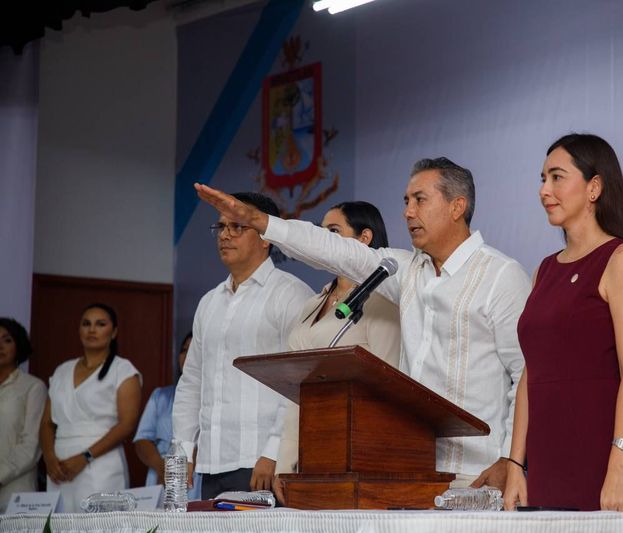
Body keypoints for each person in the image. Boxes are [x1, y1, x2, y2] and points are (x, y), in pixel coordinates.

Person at [195, 158, 530, 490]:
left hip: (480, 475)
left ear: (457, 207)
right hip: (414, 471)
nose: (408, 212)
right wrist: (261, 222)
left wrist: (510, 460)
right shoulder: (404, 270)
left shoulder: (501, 275)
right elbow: (333, 250)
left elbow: (525, 376)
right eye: (405, 201)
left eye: (419, 199)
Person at [505, 133, 623, 512]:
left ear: (594, 187)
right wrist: (515, 465)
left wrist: (620, 465)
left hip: (604, 461)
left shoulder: (622, 259)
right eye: (542, 179)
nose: (544, 190)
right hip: (546, 463)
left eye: (557, 177)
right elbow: (530, 374)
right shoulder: (545, 269)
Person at [173, 192, 313, 499]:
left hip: (261, 462)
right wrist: (182, 450)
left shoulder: (291, 295)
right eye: (220, 227)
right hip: (211, 461)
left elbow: (299, 382)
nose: (224, 235)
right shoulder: (209, 302)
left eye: (237, 227)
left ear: (265, 237)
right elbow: (192, 381)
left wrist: (274, 450)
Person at [274, 202, 401, 496]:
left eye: (333, 232)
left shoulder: (382, 303)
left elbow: (390, 385)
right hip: (312, 449)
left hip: (358, 454)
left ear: (364, 239)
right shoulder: (312, 304)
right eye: (321, 232)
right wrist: (285, 458)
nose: (323, 241)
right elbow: (298, 392)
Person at [40, 303, 142, 512]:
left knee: (97, 523)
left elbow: (127, 424)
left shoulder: (122, 370)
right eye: (86, 324)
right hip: (59, 465)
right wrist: (50, 459)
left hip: (100, 463)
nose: (92, 329)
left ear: (113, 332)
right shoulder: (62, 370)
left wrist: (85, 457)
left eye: (100, 324)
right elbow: (47, 423)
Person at [133, 332, 201, 499]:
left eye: (193, 351)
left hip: (199, 475)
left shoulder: (217, 400)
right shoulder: (161, 396)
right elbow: (141, 441)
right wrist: (162, 467)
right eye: (183, 351)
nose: (187, 357)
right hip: (161, 473)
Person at [0, 318, 47, 512]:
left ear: (18, 345)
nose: (0, 346)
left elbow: (32, 445)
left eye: (7, 340)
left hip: (16, 490)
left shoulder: (33, 387)